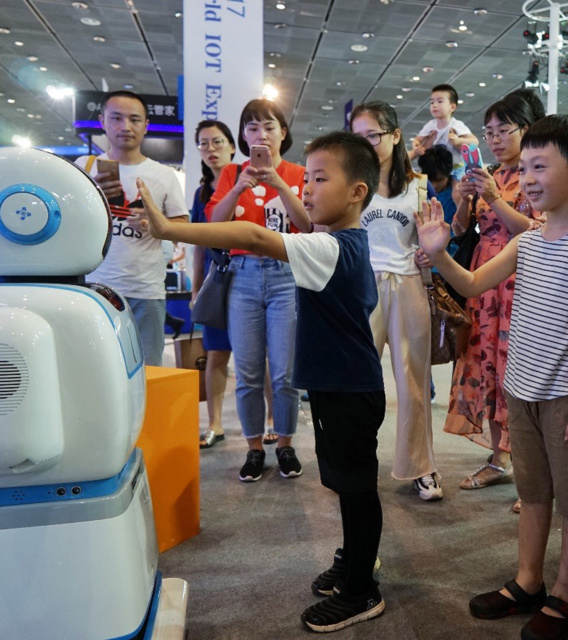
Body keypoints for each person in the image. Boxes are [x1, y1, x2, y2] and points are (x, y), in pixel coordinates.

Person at [138, 131, 388, 633]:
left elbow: (251, 236)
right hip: (339, 384)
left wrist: (169, 229)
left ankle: (362, 589)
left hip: (348, 388)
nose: (308, 188)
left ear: (358, 191)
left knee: (357, 487)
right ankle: (356, 558)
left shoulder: (331, 245)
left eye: (320, 179)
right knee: (343, 481)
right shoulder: (339, 242)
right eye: (308, 177)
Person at [418, 114, 568, 640]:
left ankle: (566, 595)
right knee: (532, 493)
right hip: (521, 387)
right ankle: (529, 581)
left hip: (567, 393)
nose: (526, 178)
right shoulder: (527, 239)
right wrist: (438, 252)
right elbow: (474, 281)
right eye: (523, 167)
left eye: (539, 166)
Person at [205, 99, 311, 482]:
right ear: (244, 136)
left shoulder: (299, 173)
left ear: (283, 132)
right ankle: (253, 448)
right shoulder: (232, 173)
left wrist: (279, 183)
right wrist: (238, 189)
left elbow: (307, 224)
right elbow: (215, 224)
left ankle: (284, 443)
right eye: (252, 128)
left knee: (284, 372)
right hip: (243, 274)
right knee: (248, 370)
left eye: (268, 126)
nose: (260, 134)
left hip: (286, 274)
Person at [445, 94, 541, 493]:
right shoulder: (487, 174)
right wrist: (464, 200)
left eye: (504, 130)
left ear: (527, 128)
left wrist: (494, 198)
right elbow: (461, 230)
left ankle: (529, 466)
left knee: (517, 366)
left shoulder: (536, 172)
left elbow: (534, 229)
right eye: (489, 132)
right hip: (483, 279)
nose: (496, 139)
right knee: (483, 361)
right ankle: (500, 457)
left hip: (521, 279)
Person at [350, 101, 442, 501]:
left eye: (374, 135)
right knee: (356, 384)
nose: (367, 144)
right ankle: (355, 466)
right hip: (361, 287)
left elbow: (433, 236)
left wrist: (429, 252)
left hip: (407, 285)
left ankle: (421, 467)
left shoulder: (418, 185)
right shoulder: (353, 184)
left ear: (395, 135)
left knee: (413, 383)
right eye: (359, 137)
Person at [76, 90, 189, 366]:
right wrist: (92, 194)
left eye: (134, 119)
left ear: (146, 125)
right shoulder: (84, 168)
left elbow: (182, 226)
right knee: (96, 368)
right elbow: (69, 223)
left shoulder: (163, 175)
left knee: (147, 369)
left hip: (146, 290)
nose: (125, 126)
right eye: (117, 118)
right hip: (94, 287)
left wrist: (153, 223)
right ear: (102, 121)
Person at [190, 119, 237, 449]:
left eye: (217, 142)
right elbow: (198, 244)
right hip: (216, 281)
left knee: (259, 356)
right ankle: (215, 424)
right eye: (204, 144)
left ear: (232, 146)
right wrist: (195, 289)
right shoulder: (201, 193)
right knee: (216, 353)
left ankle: (270, 421)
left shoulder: (248, 183)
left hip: (250, 277)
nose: (211, 149)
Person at [409, 84, 479, 184]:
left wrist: (459, 141)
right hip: (436, 168)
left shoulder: (456, 125)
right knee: (419, 184)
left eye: (440, 101)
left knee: (456, 189)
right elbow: (418, 139)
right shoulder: (430, 125)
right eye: (432, 102)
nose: (435, 105)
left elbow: (474, 142)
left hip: (455, 167)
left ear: (452, 107)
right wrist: (416, 146)